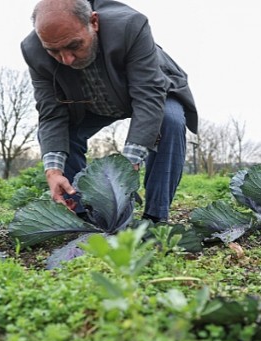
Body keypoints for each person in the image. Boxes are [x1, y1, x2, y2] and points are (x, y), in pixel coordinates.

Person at [21, 0, 198, 223]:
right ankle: (85, 215)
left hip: (147, 90)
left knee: (170, 120)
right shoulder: (33, 50)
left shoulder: (130, 26)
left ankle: (155, 217)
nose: (66, 59)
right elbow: (51, 114)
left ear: (93, 22)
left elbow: (148, 96)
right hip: (90, 102)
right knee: (62, 136)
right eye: (54, 51)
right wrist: (53, 172)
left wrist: (127, 166)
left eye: (74, 45)